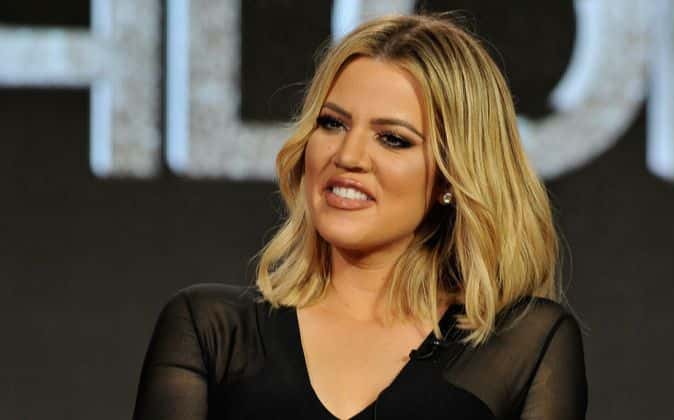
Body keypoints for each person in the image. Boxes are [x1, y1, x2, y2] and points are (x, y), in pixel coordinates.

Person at [133, 13, 587, 420]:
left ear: (452, 177)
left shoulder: (524, 345)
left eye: (393, 139)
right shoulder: (212, 331)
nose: (348, 156)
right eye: (332, 123)